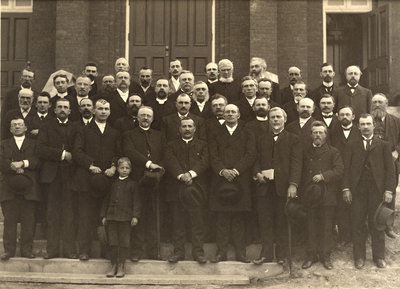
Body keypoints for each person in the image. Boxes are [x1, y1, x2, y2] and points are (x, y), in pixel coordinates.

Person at [343, 114, 396, 269]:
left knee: (378, 223)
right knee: (357, 223)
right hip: (358, 191)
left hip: (377, 191)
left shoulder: (384, 145)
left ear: (374, 125)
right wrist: (346, 188)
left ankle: (379, 256)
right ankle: (359, 257)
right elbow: (346, 169)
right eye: (362, 124)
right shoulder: (352, 145)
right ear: (358, 126)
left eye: (368, 124)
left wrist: (388, 190)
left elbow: (390, 171)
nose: (365, 127)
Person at [252, 107, 302, 265]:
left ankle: (281, 255)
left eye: (278, 117)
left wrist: (293, 185)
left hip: (283, 187)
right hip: (264, 186)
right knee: (265, 220)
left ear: (284, 119)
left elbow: (296, 164)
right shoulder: (261, 139)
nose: (275, 120)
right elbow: (255, 159)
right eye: (272, 117)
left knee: (282, 220)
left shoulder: (293, 139)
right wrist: (257, 173)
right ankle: (266, 254)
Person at [73, 99, 122, 261]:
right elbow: (77, 151)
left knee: (107, 218)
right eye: (100, 109)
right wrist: (90, 165)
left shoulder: (114, 132)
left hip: (107, 181)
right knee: (85, 216)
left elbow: (118, 152)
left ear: (109, 112)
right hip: (87, 180)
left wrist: (114, 167)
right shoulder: (83, 130)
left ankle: (107, 251)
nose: (103, 111)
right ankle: (84, 250)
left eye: (106, 109)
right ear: (94, 111)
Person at [208, 104, 256, 263]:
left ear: (239, 114)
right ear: (223, 114)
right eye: (227, 112)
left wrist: (235, 170)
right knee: (221, 219)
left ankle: (241, 253)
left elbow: (250, 154)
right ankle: (221, 253)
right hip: (219, 180)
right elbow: (212, 155)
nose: (229, 114)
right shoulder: (215, 132)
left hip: (240, 180)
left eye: (233, 112)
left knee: (238, 219)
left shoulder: (247, 132)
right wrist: (222, 170)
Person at [37, 98, 80, 259]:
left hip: (70, 175)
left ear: (70, 111)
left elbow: (79, 149)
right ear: (54, 110)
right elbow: (40, 149)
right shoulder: (46, 126)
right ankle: (52, 250)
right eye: (59, 107)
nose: (62, 109)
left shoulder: (76, 127)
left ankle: (69, 250)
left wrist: (72, 156)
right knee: (52, 214)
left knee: (69, 214)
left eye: (65, 107)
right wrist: (61, 154)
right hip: (51, 176)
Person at [164, 117, 209, 264]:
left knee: (197, 222)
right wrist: (181, 175)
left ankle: (198, 253)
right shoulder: (171, 145)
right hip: (177, 188)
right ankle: (178, 252)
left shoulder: (203, 145)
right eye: (184, 126)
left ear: (195, 129)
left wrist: (191, 174)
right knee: (178, 222)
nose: (187, 129)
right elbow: (170, 160)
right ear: (179, 129)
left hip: (196, 189)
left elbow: (204, 162)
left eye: (190, 126)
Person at [123, 106, 165, 261]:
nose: (145, 118)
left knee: (154, 215)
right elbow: (130, 152)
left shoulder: (159, 136)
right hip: (137, 180)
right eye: (142, 115)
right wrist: (149, 164)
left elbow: (164, 154)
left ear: (153, 118)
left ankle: (154, 251)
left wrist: (158, 170)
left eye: (148, 115)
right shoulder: (129, 135)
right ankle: (137, 251)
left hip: (155, 182)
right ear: (138, 118)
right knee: (137, 216)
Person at [301, 121, 344, 270]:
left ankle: (326, 256)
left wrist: (323, 176)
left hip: (327, 195)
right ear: (311, 135)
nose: (318, 135)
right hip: (311, 195)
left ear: (325, 135)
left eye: (321, 132)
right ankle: (311, 255)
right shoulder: (305, 151)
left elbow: (339, 171)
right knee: (311, 225)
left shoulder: (333, 151)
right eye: (315, 132)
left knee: (327, 227)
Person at [0, 117, 41, 260]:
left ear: (25, 128)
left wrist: (23, 163)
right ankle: (8, 250)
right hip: (9, 188)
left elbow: (38, 161)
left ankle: (27, 250)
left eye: (20, 124)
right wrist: (13, 167)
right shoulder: (3, 144)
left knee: (28, 221)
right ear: (10, 129)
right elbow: (1, 161)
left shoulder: (34, 144)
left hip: (29, 188)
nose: (17, 127)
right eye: (14, 125)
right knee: (9, 220)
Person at [101, 157, 141, 278]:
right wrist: (104, 215)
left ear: (130, 170)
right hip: (112, 217)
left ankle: (121, 265)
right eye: (122, 168)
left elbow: (137, 201)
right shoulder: (113, 184)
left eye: (127, 168)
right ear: (117, 169)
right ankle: (113, 265)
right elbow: (106, 200)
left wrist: (135, 216)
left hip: (125, 218)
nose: (124, 170)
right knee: (113, 242)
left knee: (124, 242)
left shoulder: (133, 184)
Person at [370, 93, 400, 238]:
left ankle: (388, 225)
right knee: (370, 194)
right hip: (370, 164)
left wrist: (397, 152)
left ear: (386, 104)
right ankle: (369, 224)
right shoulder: (365, 121)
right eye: (374, 102)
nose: (377, 104)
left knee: (390, 193)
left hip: (390, 163)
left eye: (380, 102)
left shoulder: (396, 121)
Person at [330, 106, 362, 244]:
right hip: (338, 173)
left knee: (358, 206)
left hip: (357, 175)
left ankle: (358, 235)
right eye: (342, 114)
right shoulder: (332, 133)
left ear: (353, 116)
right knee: (341, 207)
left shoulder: (360, 131)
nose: (345, 117)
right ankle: (344, 236)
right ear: (337, 116)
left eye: (347, 114)